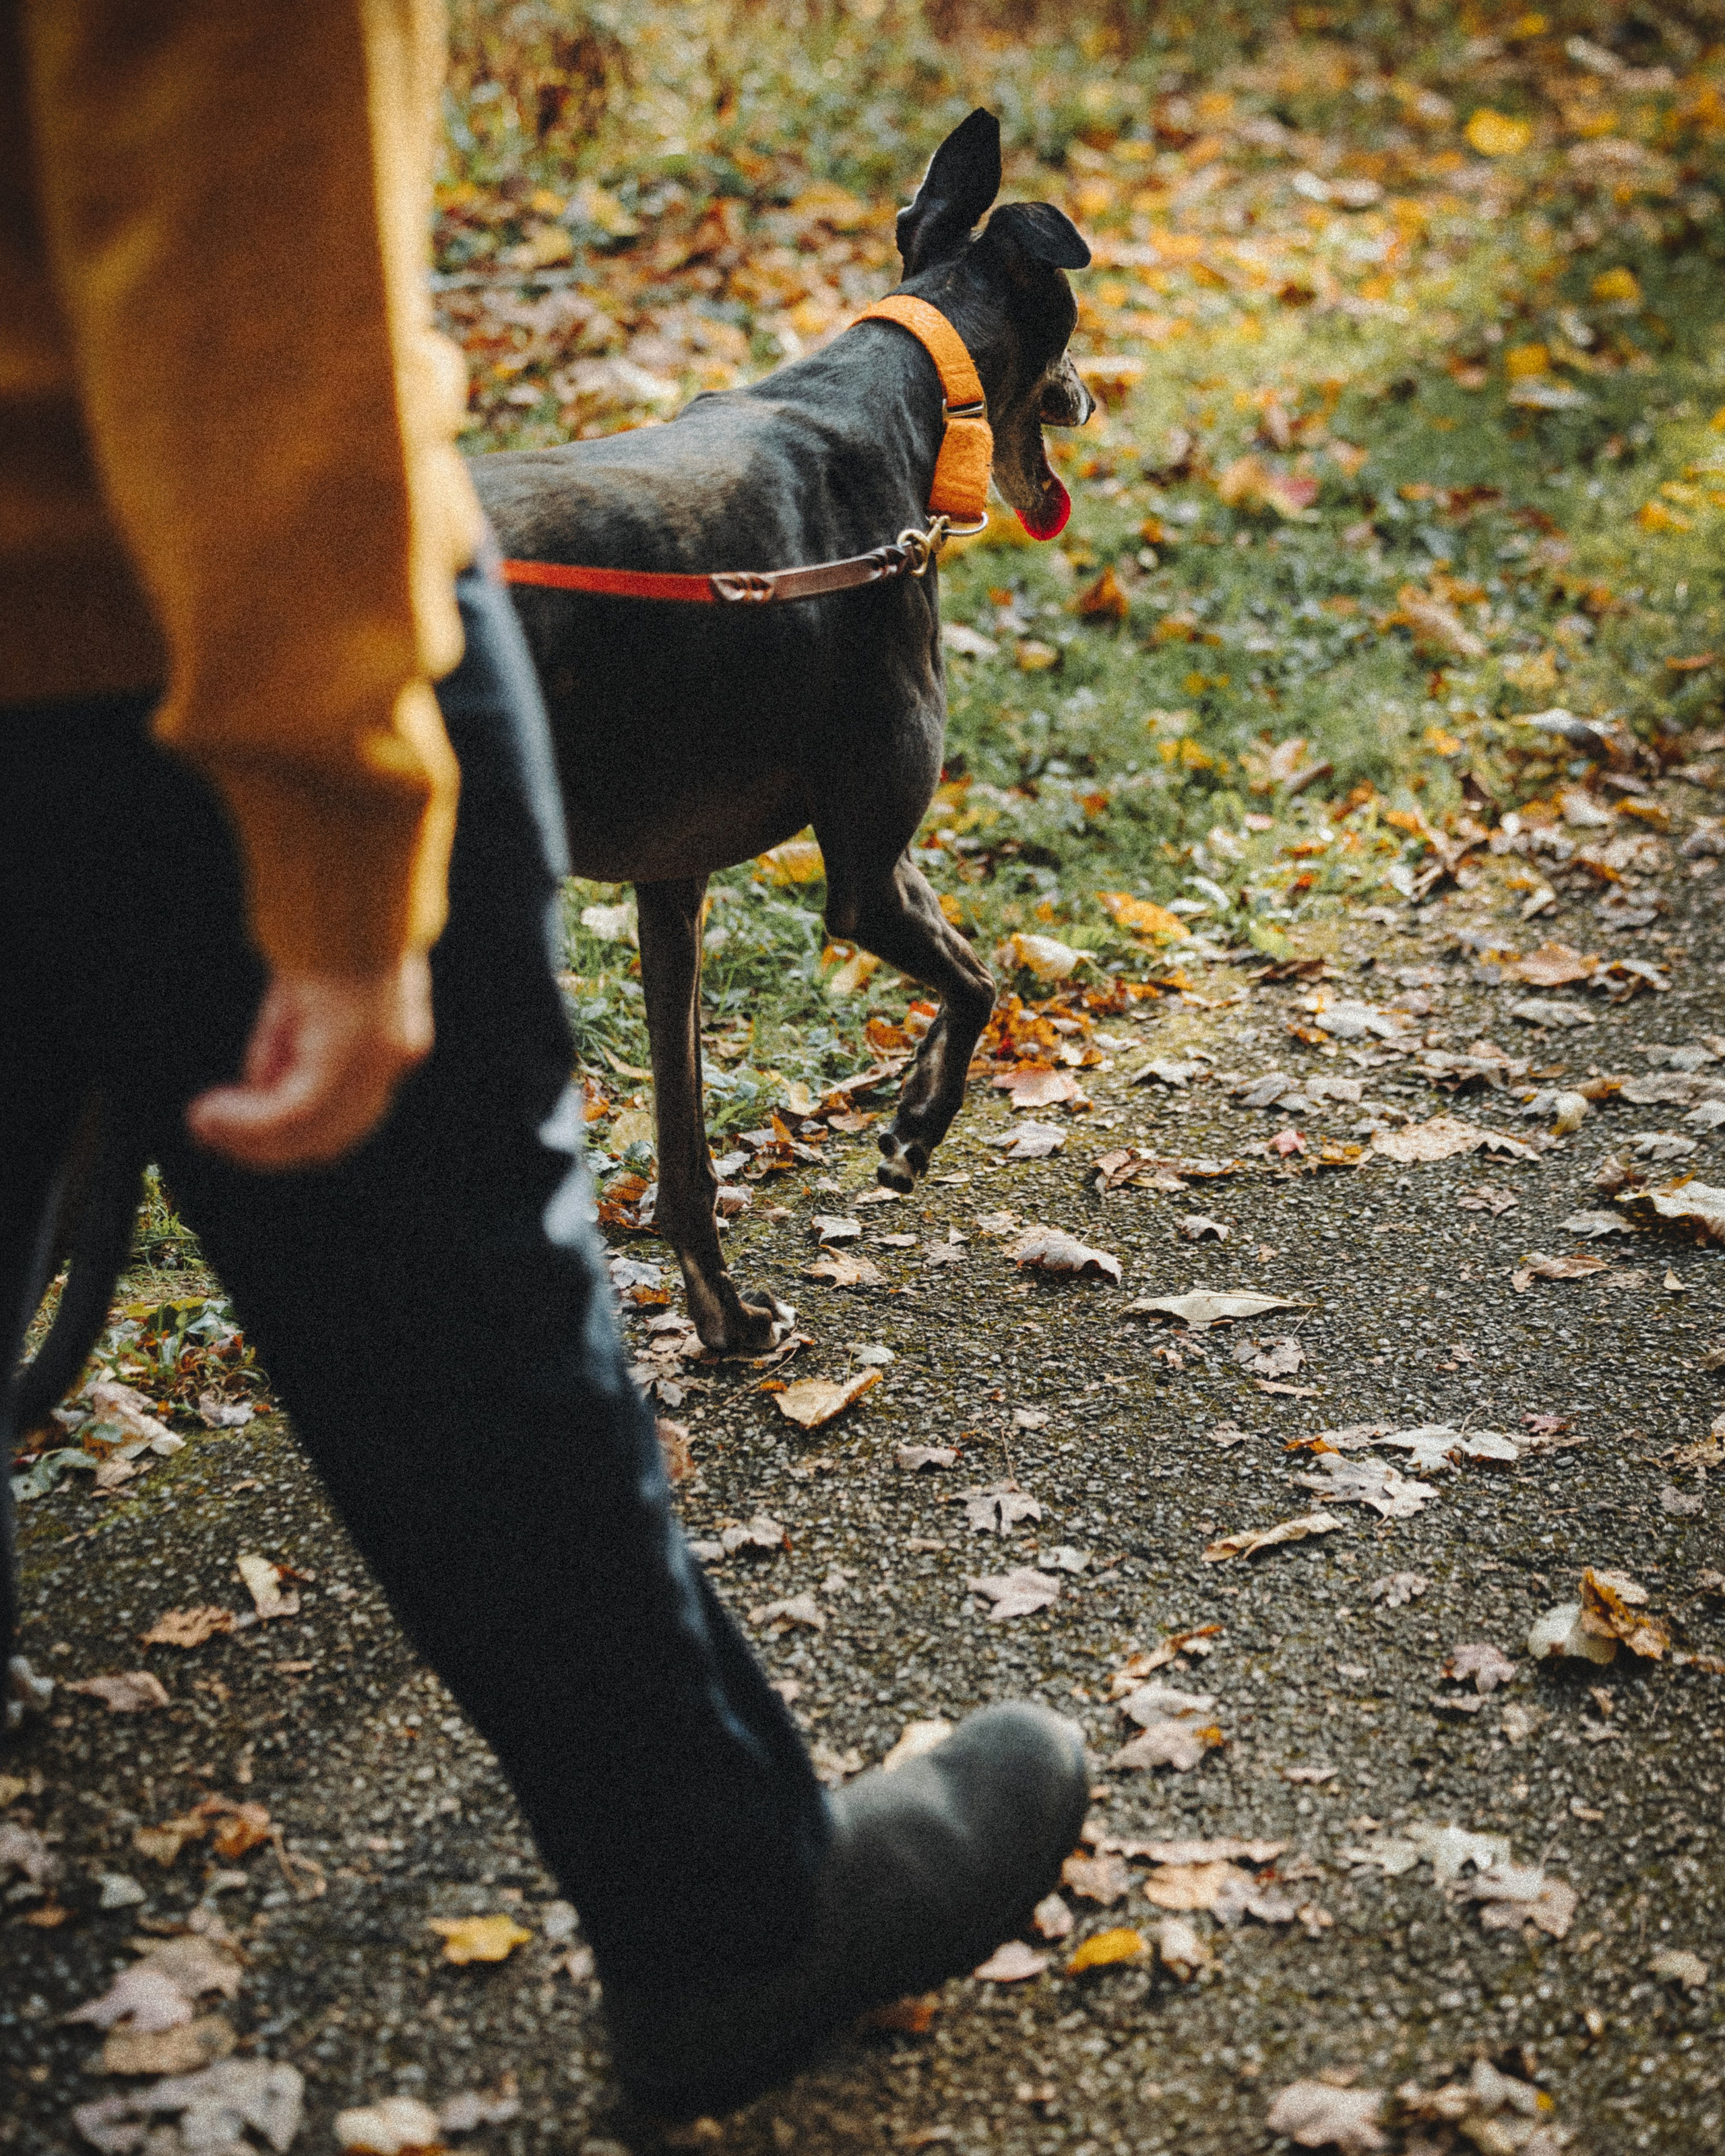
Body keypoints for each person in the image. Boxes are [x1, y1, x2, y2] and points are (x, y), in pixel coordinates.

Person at [0, 0, 1087, 2122]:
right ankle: (729, 1913)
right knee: (474, 1326)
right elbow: (246, 172)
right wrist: (340, 803)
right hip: (158, 607)